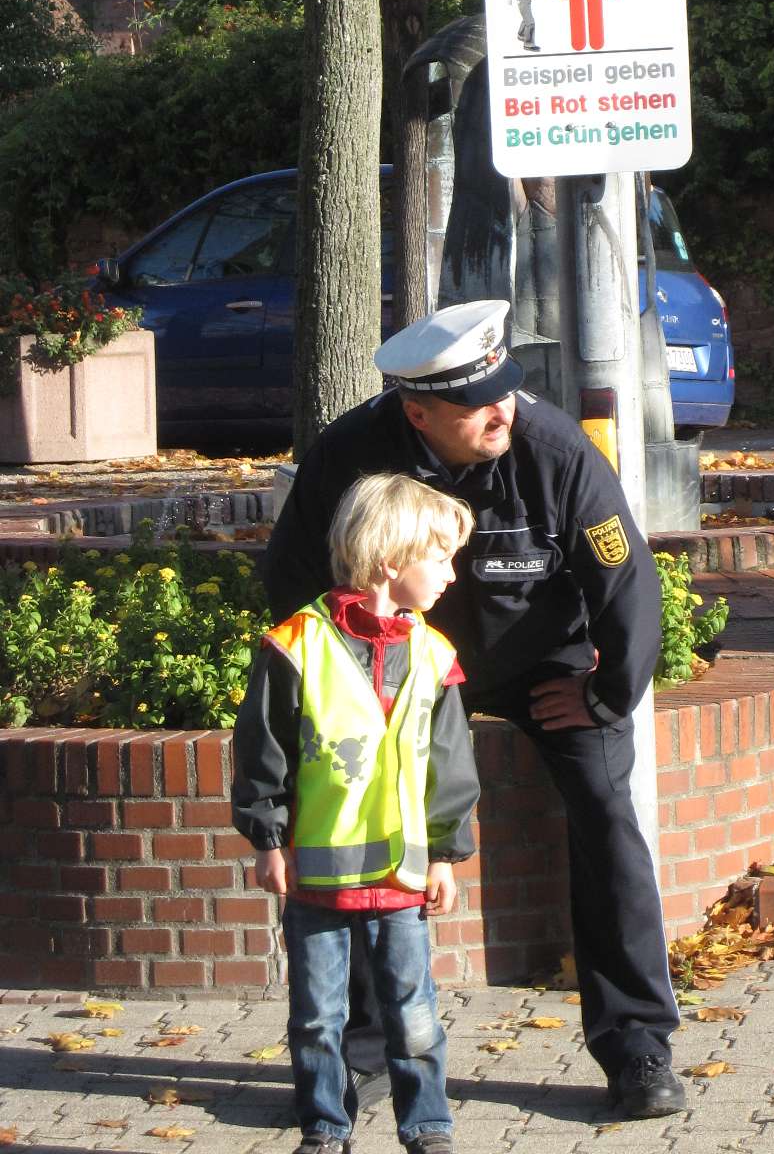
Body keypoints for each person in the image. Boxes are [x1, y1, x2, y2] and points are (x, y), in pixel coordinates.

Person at [262, 300, 685, 1122]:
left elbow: (626, 580)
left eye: (505, 390)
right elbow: (291, 576)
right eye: (475, 404)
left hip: (542, 666)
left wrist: (604, 691)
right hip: (396, 667)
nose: (501, 410)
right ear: (416, 412)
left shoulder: (554, 450)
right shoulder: (350, 453)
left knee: (607, 813)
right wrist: (340, 677)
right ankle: (364, 1052)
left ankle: (638, 1045)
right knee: (352, 818)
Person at [232, 472, 481, 1154]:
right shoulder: (295, 644)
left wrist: (446, 852)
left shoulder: (434, 655)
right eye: (441, 557)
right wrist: (267, 839)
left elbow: (449, 765)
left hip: (402, 879)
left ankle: (428, 1127)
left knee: (414, 1014)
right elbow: (264, 750)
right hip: (315, 879)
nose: (452, 577)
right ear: (390, 560)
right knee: (317, 1017)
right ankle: (324, 1127)